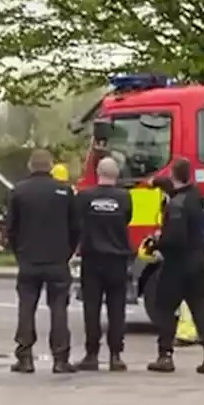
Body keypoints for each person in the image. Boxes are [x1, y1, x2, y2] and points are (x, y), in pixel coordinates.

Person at [147, 157, 204, 374]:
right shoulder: (196, 195)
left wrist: (156, 243)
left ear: (174, 175)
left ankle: (165, 356)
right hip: (198, 260)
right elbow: (172, 187)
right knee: (198, 305)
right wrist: (155, 182)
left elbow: (176, 238)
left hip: (177, 265)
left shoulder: (177, 205)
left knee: (163, 308)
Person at [5, 149, 80, 373]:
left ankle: (25, 357)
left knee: (26, 307)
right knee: (59, 308)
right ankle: (60, 358)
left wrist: (20, 253)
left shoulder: (18, 191)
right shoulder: (65, 192)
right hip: (57, 260)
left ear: (30, 166)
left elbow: (11, 229)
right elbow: (76, 228)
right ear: (50, 167)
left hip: (29, 259)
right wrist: (66, 252)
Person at [73, 157, 133, 371]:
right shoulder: (124, 197)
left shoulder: (84, 197)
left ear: (98, 173)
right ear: (116, 175)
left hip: (92, 259)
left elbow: (77, 222)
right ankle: (116, 355)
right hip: (117, 259)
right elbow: (126, 219)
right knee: (117, 309)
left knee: (92, 308)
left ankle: (91, 355)